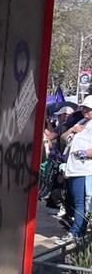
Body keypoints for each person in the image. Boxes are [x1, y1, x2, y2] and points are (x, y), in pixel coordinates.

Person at [57, 96, 92, 245]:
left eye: (88, 109)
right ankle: (78, 229)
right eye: (84, 108)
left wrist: (81, 154)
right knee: (73, 201)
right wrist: (73, 129)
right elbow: (63, 138)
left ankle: (77, 231)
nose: (85, 111)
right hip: (72, 169)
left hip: (84, 170)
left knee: (81, 202)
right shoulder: (82, 123)